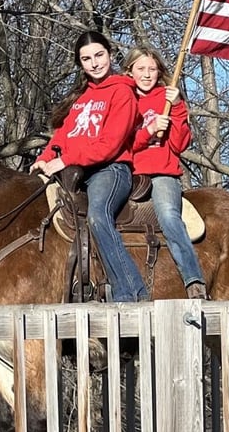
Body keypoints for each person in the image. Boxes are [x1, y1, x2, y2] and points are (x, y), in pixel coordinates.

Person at [30, 31, 150, 303]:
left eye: (99, 55)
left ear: (110, 54)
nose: (94, 63)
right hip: (76, 172)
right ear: (80, 63)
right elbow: (62, 137)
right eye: (86, 59)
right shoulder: (81, 98)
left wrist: (65, 160)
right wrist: (45, 158)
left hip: (111, 169)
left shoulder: (122, 92)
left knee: (97, 215)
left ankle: (131, 292)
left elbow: (110, 143)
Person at [123, 46, 209, 300]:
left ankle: (193, 278)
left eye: (152, 69)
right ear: (130, 72)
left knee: (169, 215)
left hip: (162, 172)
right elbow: (121, 143)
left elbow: (180, 145)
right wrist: (148, 131)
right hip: (127, 171)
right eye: (141, 69)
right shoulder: (123, 98)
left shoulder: (168, 99)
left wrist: (179, 107)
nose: (147, 75)